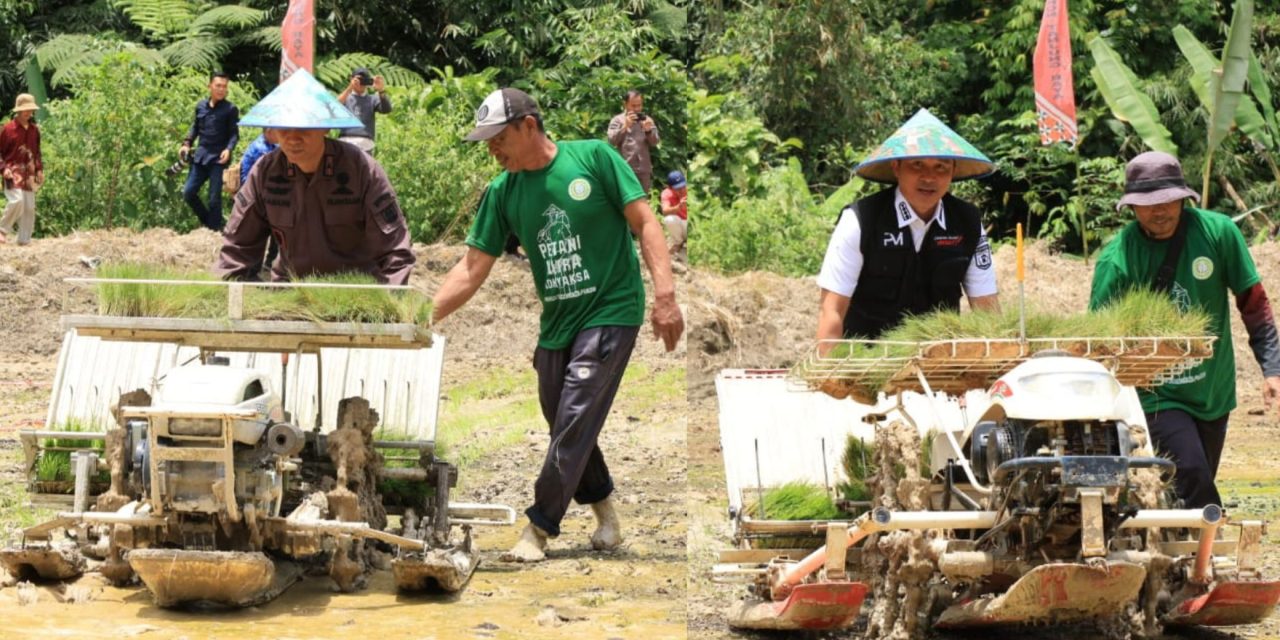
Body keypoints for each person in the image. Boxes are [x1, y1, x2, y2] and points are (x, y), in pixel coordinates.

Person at [433, 87, 683, 562]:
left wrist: (665, 296)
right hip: (558, 324)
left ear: (529, 126)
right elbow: (470, 268)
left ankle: (539, 528)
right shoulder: (503, 191)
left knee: (572, 417)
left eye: (497, 137)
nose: (491, 148)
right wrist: (420, 318)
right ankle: (605, 509)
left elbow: (646, 223)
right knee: (564, 418)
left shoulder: (593, 159)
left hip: (612, 309)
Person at [1090, 151, 1280, 509]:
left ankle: (1178, 548)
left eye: (1167, 201)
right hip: (1157, 393)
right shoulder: (1117, 259)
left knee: (1192, 480)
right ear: (1131, 207)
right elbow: (1100, 339)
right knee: (1192, 474)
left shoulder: (1218, 232)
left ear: (1183, 198)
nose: (1159, 211)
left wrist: (1272, 368)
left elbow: (1252, 301)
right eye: (1147, 205)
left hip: (1213, 390)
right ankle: (1204, 555)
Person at [816, 108, 1000, 344]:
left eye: (941, 167)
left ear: (953, 171)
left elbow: (987, 311)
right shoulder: (860, 220)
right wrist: (832, 376)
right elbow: (831, 311)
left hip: (938, 363)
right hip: (867, 364)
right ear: (896, 167)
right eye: (917, 164)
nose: (929, 177)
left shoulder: (969, 223)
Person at [215, 69, 414, 285]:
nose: (292, 138)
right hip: (290, 292)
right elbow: (237, 249)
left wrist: (388, 306)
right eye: (284, 127)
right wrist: (227, 301)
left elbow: (395, 252)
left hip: (356, 294)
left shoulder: (362, 170)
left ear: (325, 128)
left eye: (304, 128)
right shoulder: (265, 172)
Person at [181, 72, 239, 231]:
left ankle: (213, 230)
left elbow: (234, 134)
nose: (221, 89)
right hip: (200, 157)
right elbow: (195, 127)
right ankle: (211, 224)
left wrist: (229, 149)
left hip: (218, 159)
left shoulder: (230, 109)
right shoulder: (200, 106)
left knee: (214, 199)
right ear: (210, 86)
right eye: (218, 86)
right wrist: (186, 143)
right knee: (188, 193)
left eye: (224, 86)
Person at [0, 94, 43, 245]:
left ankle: (24, 240)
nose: (28, 112)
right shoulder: (8, 129)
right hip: (12, 172)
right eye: (25, 110)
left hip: (29, 175)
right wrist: (3, 168)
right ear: (18, 111)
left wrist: (39, 170)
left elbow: (37, 152)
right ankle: (2, 230)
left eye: (30, 109)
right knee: (17, 200)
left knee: (29, 207)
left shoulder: (34, 130)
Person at [238, 128, 282, 272]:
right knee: (260, 231)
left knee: (276, 230)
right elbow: (248, 173)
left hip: (273, 194)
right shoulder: (259, 148)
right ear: (269, 132)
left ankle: (269, 262)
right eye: (277, 131)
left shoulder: (276, 146)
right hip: (258, 195)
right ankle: (253, 265)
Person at [606, 90, 659, 192]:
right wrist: (625, 127)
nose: (637, 109)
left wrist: (648, 131)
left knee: (642, 200)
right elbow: (611, 141)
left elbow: (655, 142)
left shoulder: (647, 120)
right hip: (624, 168)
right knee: (625, 200)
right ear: (625, 104)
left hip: (643, 169)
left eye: (639, 105)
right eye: (633, 106)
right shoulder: (617, 120)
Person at [336, 67, 391, 155]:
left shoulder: (372, 99)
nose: (361, 83)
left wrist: (381, 90)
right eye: (358, 79)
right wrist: (350, 87)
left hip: (366, 144)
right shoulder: (345, 97)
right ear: (351, 79)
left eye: (364, 80)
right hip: (346, 141)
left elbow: (387, 109)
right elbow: (334, 106)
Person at [660, 169, 687, 257]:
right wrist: (678, 207)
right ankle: (678, 242)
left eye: (683, 186)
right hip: (680, 223)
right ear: (670, 188)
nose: (682, 190)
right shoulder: (666, 194)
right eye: (678, 188)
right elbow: (665, 211)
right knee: (669, 219)